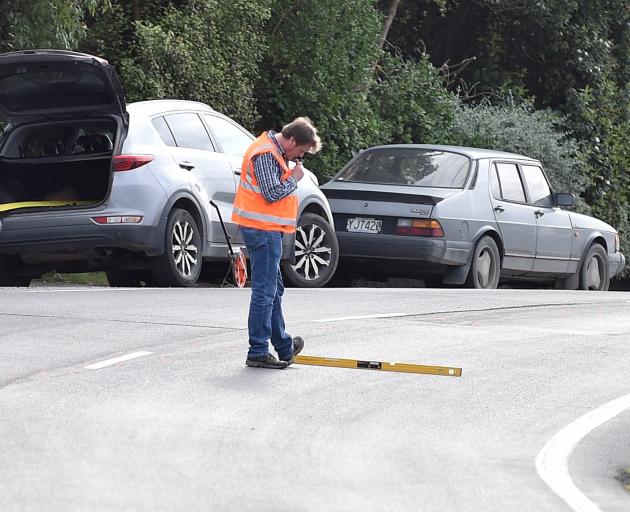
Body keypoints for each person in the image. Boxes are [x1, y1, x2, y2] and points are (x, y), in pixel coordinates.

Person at [232, 117, 322, 369]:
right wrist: (294, 178)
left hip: (268, 230)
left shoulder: (275, 152)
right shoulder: (266, 154)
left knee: (274, 289)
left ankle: (283, 346)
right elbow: (271, 193)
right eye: (301, 150)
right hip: (262, 230)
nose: (299, 156)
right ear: (292, 140)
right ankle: (258, 350)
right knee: (264, 292)